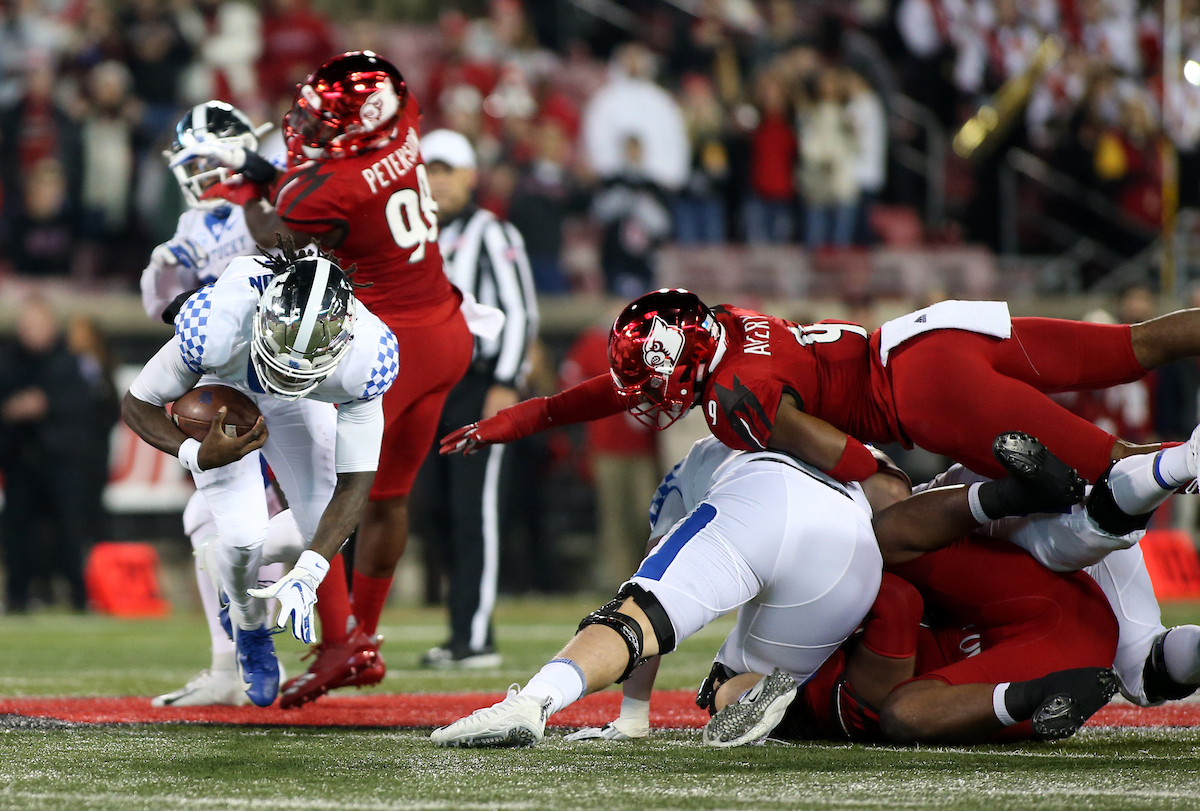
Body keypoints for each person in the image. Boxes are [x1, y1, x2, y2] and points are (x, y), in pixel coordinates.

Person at [169, 51, 501, 707]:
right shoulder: (402, 128)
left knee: (331, 486)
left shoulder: (331, 187)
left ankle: (340, 639)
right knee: (389, 497)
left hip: (389, 340)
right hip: (447, 329)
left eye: (326, 119)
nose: (310, 126)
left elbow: (274, 238)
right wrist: (270, 170)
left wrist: (248, 187)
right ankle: (361, 640)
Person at [429, 432, 1086, 747]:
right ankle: (773, 686)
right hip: (849, 548)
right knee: (874, 597)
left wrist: (633, 713)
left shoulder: (702, 451)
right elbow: (892, 494)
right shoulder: (835, 430)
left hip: (756, 499)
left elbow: (652, 592)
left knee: (643, 618)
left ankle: (536, 700)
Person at [442, 290, 1200, 492]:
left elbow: (846, 456)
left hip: (924, 396)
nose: (643, 395)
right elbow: (592, 397)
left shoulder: (731, 399)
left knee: (1114, 462)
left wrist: (890, 490)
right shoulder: (728, 323)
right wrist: (507, 423)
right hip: (933, 333)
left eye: (652, 377)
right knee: (1135, 346)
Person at [121, 244, 399, 707]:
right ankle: (249, 627)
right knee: (245, 537)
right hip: (227, 386)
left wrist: (308, 574)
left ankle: (222, 561)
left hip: (304, 402)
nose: (287, 372)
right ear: (262, 317)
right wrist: (195, 453)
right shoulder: (216, 323)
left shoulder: (368, 357)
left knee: (322, 533)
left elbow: (354, 487)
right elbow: (137, 402)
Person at [141, 100, 307, 708]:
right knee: (209, 521)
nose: (198, 174)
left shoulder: (280, 179)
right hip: (237, 380)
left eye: (209, 160)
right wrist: (166, 278)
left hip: (298, 374)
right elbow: (158, 303)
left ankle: (314, 637)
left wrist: (259, 174)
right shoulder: (196, 226)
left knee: (315, 514)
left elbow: (290, 234)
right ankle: (233, 660)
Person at [414, 128, 536, 669]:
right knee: (433, 509)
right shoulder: (412, 235)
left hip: (478, 383)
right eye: (430, 171)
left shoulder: (491, 231)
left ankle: (476, 635)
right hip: (424, 389)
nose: (437, 181)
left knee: (475, 512)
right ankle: (460, 630)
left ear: (469, 176)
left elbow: (519, 309)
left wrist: (505, 381)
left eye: (447, 171)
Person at [0, 298, 102, 612]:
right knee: (17, 531)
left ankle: (78, 596)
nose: (30, 333)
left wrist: (46, 405)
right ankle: (17, 596)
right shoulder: (8, 361)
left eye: (36, 325)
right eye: (26, 326)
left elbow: (87, 408)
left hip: (63, 460)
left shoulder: (72, 361)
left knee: (70, 530)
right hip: (20, 458)